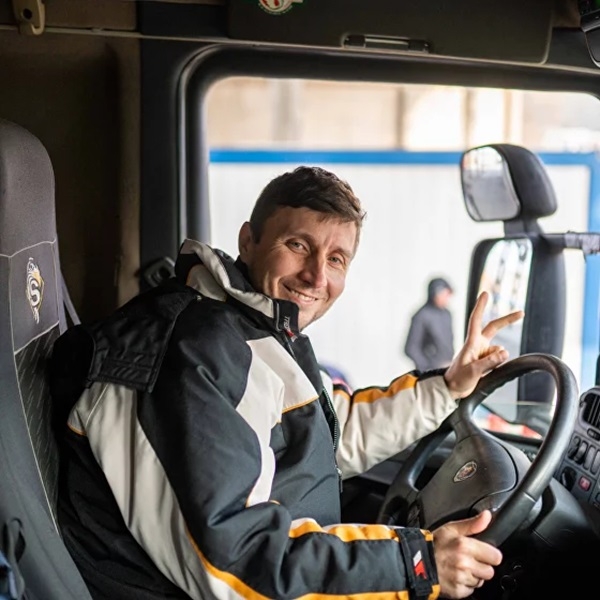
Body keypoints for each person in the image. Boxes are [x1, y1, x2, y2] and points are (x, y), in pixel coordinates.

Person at [50, 166, 523, 600]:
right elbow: (235, 560)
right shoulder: (191, 353)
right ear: (248, 241)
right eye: (298, 245)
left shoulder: (253, 326)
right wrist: (416, 564)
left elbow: (331, 432)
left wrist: (450, 386)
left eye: (336, 259)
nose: (317, 276)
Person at [405, 277, 455, 371]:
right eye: (444, 294)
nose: (447, 298)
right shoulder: (421, 316)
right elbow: (411, 348)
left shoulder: (447, 314)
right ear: (436, 293)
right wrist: (427, 367)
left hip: (448, 367)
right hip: (431, 371)